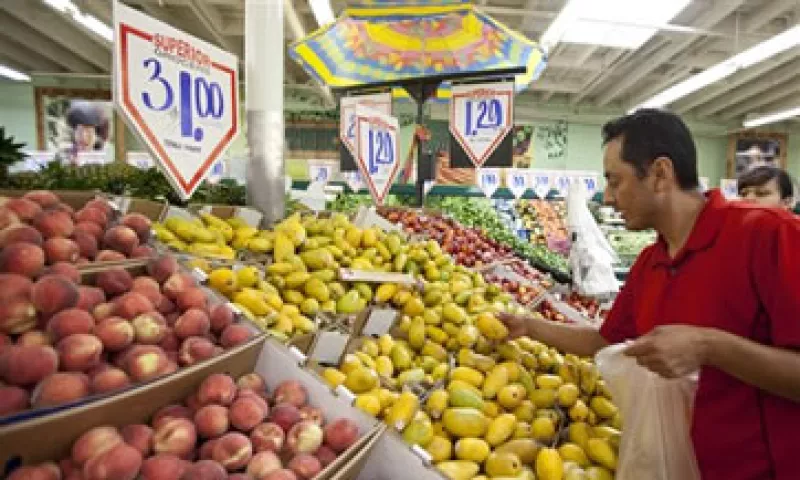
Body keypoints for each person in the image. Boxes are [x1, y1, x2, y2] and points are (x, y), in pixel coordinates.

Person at [500, 109, 800, 480]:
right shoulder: (650, 263)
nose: (608, 198)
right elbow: (603, 340)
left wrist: (709, 347)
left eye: (615, 181)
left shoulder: (768, 235)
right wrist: (527, 326)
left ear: (660, 174)